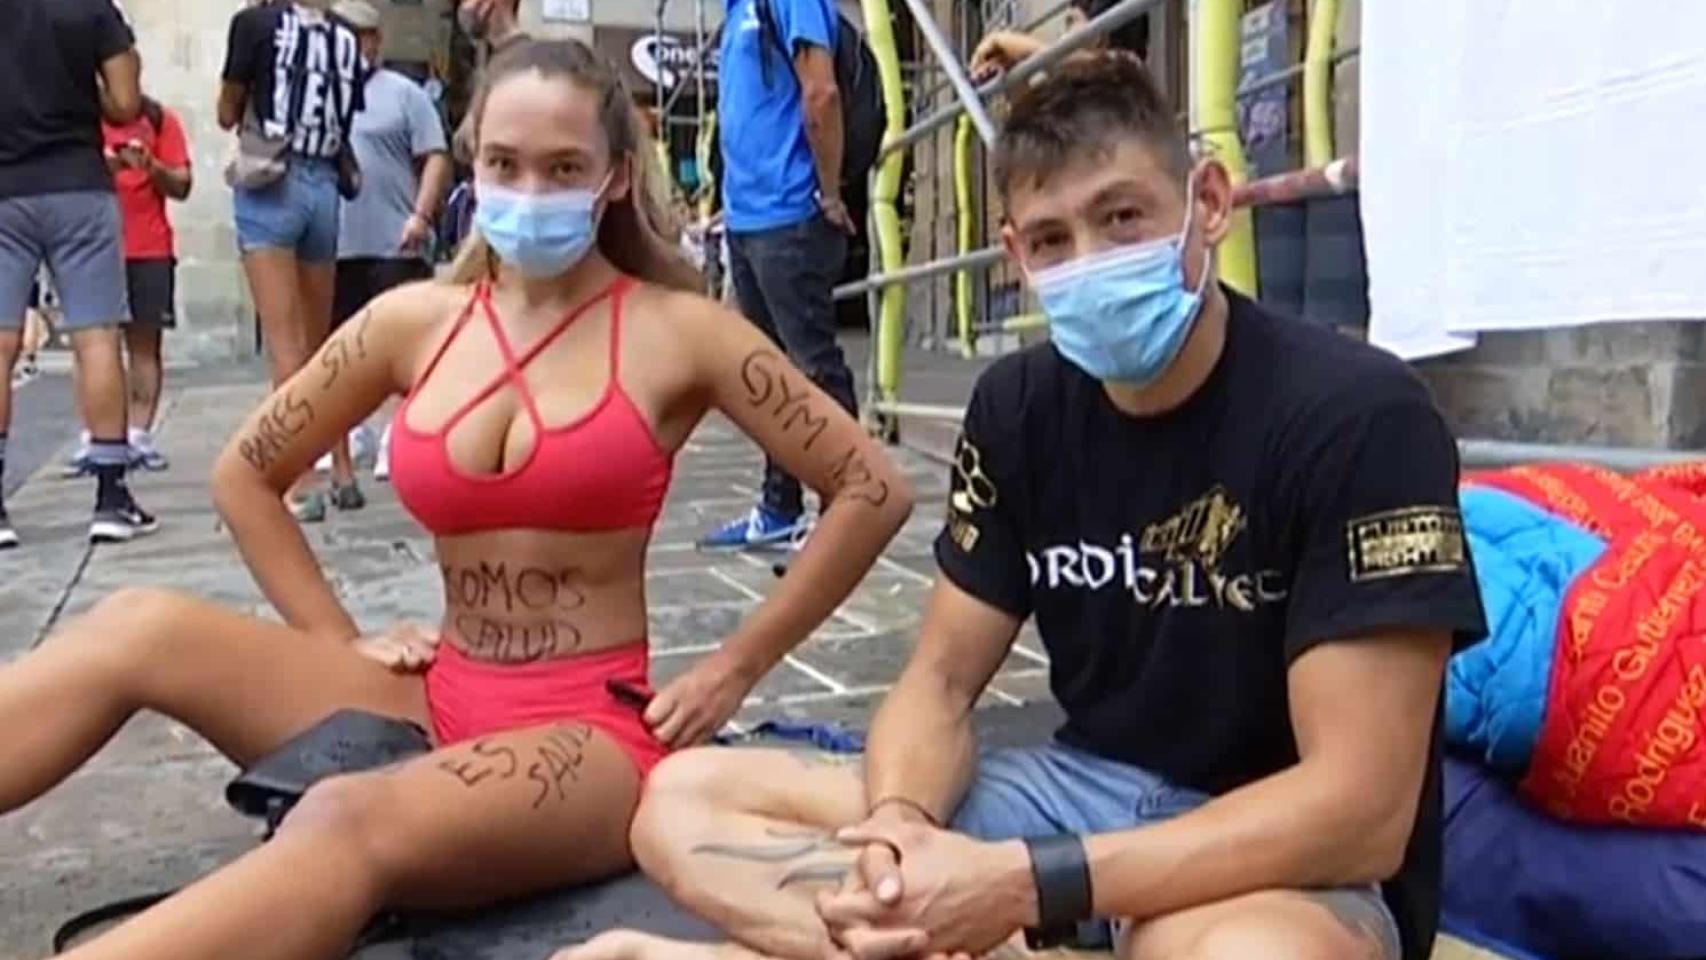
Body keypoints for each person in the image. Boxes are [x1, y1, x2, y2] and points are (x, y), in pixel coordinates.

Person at [0, 38, 912, 960]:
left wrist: (734, 667)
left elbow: (871, 488)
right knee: (140, 626)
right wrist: (335, 637)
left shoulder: (681, 332)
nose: (531, 189)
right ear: (472, 164)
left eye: (564, 168)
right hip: (435, 694)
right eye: (505, 163)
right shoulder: (415, 323)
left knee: (342, 819)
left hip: (588, 738)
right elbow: (246, 474)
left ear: (614, 178)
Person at [564, 53, 1486, 960]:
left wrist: (1022, 884)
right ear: (1014, 254)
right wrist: (898, 831)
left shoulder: (1357, 416)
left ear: (1207, 203)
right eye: (1051, 240)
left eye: (1122, 218)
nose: (1089, 262)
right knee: (682, 802)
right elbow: (939, 681)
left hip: (1273, 849)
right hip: (1079, 793)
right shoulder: (1018, 407)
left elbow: (1359, 810)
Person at [695, 0, 862, 552]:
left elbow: (821, 92)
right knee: (768, 374)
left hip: (789, 215)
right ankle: (779, 508)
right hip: (748, 220)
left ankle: (848, 505)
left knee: (813, 367)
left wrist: (829, 193)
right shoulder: (737, 10)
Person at [0, 0, 159, 548]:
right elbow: (126, 104)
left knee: (1, 343)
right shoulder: (92, 8)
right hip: (78, 185)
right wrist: (84, 92)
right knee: (96, 337)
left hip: (4, 189)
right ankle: (111, 497)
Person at [219, 0, 368, 523]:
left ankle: (299, 480)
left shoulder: (254, 24)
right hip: (323, 186)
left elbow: (227, 112)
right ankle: (343, 469)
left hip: (270, 182)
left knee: (285, 346)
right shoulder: (346, 38)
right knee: (322, 344)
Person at [324, 0, 453, 510]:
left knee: (402, 349)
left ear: (375, 41)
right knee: (343, 347)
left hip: (394, 240)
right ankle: (352, 433)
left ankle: (399, 434)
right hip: (335, 242)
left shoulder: (404, 94)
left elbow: (435, 156)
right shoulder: (323, 93)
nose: (355, 46)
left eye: (362, 37)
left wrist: (420, 216)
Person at [99, 96, 194, 472]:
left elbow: (182, 184)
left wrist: (151, 166)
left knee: (144, 347)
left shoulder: (159, 120)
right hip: (97, 247)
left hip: (148, 247)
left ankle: (139, 434)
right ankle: (99, 433)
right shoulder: (79, 120)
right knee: (95, 346)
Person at [969, 0, 1151, 81]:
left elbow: (1063, 59)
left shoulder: (1123, 68)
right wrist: (1012, 71)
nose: (1063, 36)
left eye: (1071, 22)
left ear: (1099, 37)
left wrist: (1002, 41)